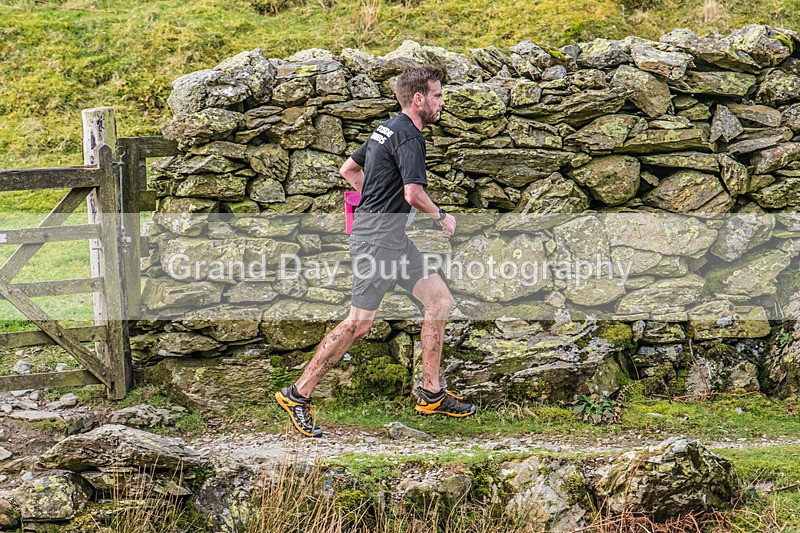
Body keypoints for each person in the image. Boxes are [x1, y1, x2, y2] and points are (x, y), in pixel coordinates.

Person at [274, 65, 476, 437]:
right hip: (376, 242)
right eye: (437, 95)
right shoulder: (411, 138)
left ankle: (431, 393)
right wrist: (442, 218)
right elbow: (413, 194)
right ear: (419, 99)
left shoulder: (387, 128)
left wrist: (375, 199)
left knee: (439, 301)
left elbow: (348, 169)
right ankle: (297, 394)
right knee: (359, 323)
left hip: (393, 239)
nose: (442, 103)